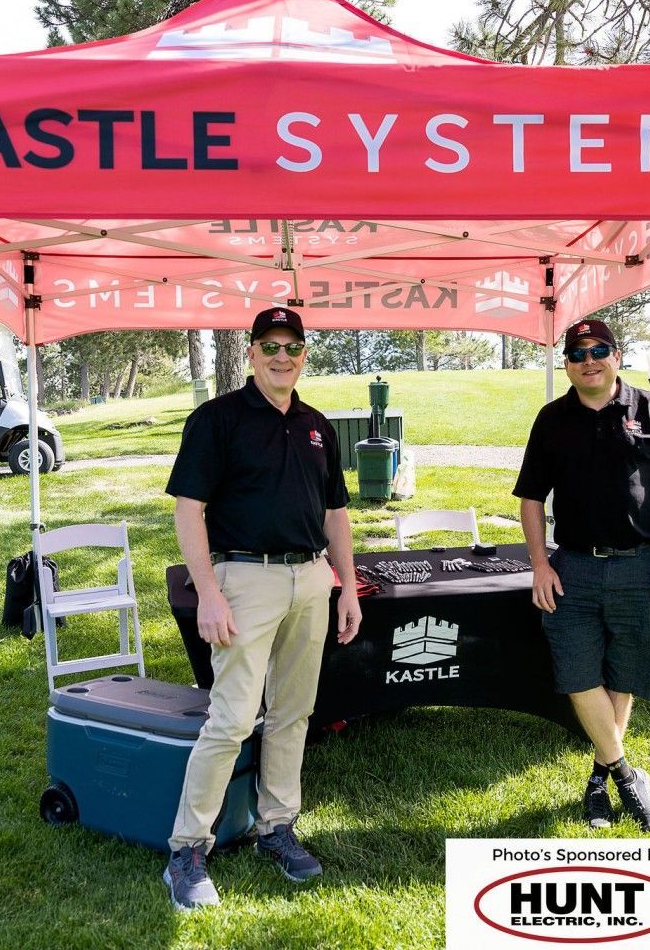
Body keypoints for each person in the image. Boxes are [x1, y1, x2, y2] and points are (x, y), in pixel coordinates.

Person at [162, 306, 361, 912]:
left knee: (294, 713)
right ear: (251, 352)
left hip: (310, 578)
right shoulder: (216, 420)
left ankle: (276, 828)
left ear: (304, 355)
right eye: (270, 346)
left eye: (293, 347)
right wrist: (211, 592)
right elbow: (188, 510)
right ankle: (187, 850)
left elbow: (335, 515)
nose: (282, 357)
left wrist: (347, 585)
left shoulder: (318, 426)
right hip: (243, 578)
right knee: (231, 717)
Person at [513, 319, 650, 833]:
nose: (588, 360)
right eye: (577, 354)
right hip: (571, 567)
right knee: (578, 676)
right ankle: (624, 774)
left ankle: (599, 779)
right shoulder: (551, 419)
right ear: (567, 364)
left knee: (625, 674)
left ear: (617, 356)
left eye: (599, 350)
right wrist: (539, 563)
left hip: (643, 565)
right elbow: (531, 498)